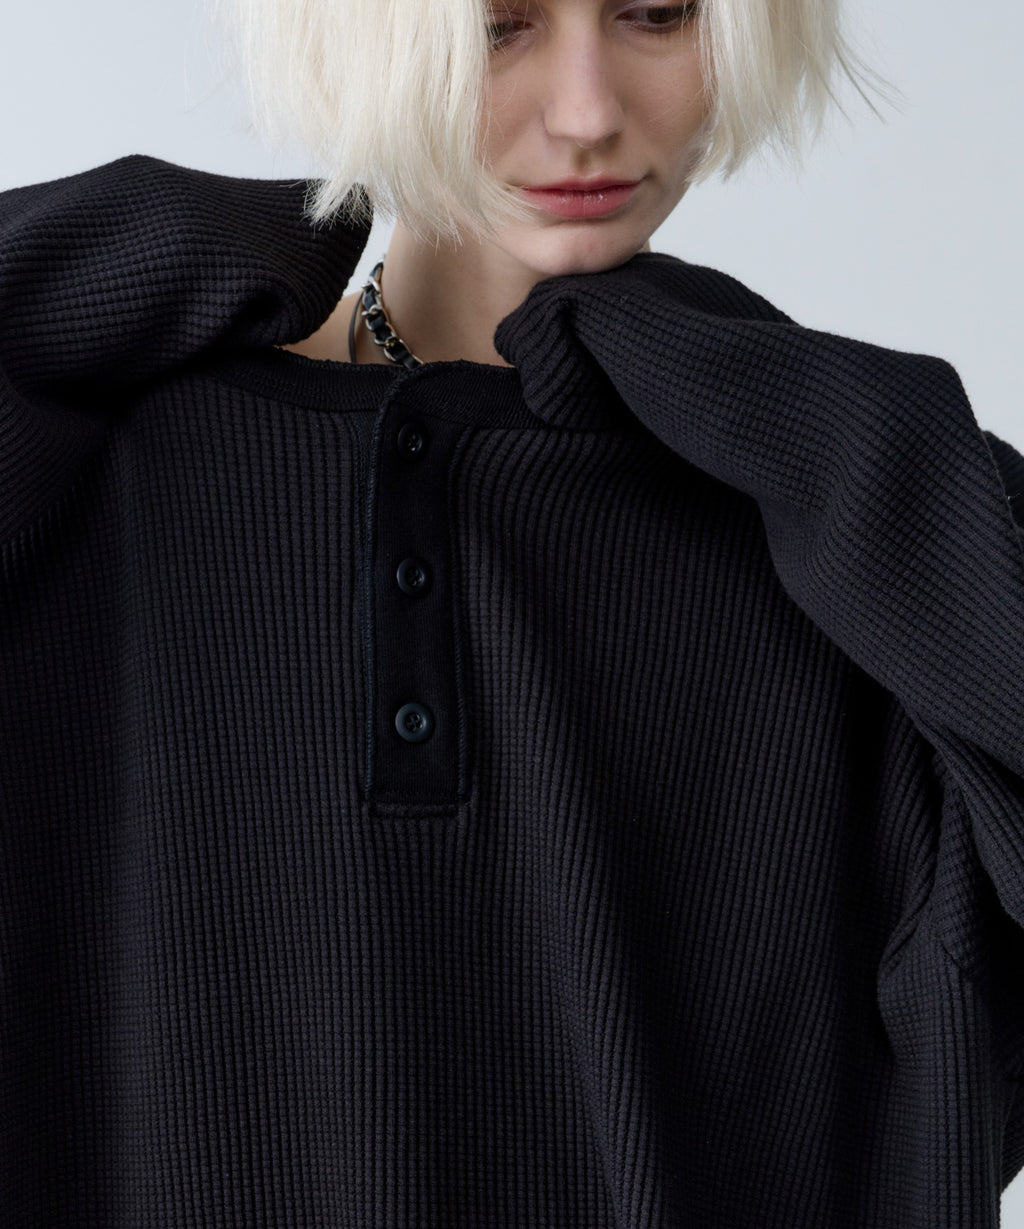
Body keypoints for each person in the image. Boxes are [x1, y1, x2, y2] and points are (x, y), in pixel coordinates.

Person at [1, 0, 1022, 1225]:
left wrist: (857, 445)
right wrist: (117, 256)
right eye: (498, 28)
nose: (587, 112)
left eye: (655, 14)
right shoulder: (89, 473)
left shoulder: (851, 554)